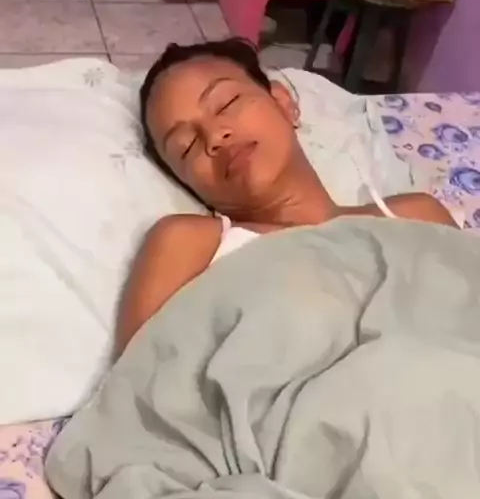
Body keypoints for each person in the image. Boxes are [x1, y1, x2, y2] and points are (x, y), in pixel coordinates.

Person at [115, 38, 457, 356]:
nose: (215, 136)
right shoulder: (191, 243)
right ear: (185, 182)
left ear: (283, 103)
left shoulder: (415, 216)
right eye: (186, 146)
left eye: (227, 103)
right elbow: (135, 385)